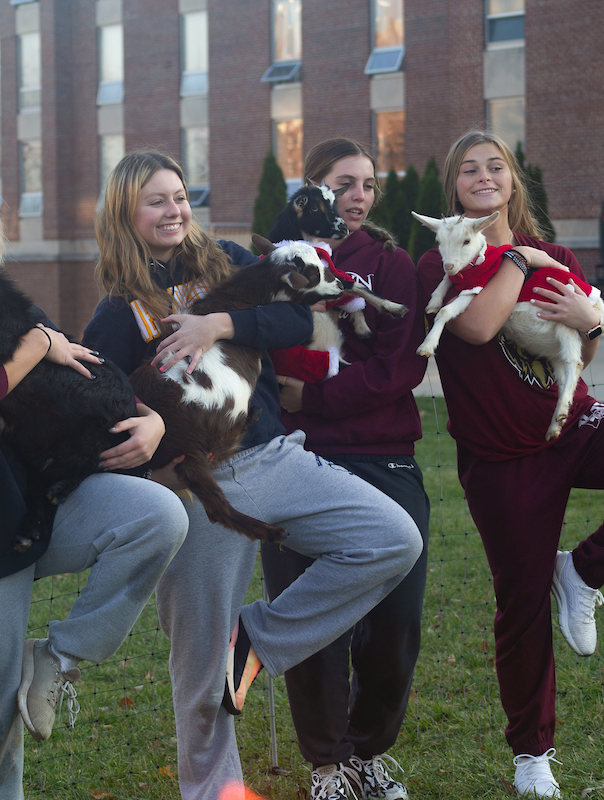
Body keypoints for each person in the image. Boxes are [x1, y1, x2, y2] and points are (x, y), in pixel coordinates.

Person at [82, 149, 423, 800]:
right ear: (126, 212)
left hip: (272, 458)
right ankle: (214, 790)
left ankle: (259, 638)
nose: (174, 209)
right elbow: (103, 406)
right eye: (156, 199)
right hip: (193, 490)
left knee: (391, 540)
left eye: (180, 196)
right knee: (199, 667)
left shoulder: (232, 263)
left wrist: (219, 321)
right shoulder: (118, 310)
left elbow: (296, 316)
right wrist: (154, 435)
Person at [0, 171, 188, 800]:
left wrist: (152, 420)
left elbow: (84, 372)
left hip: (40, 506)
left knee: (158, 518)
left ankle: (59, 655)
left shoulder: (7, 302)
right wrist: (32, 349)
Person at [416, 131, 604, 798]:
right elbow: (481, 327)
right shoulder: (451, 261)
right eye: (469, 169)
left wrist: (593, 325)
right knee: (520, 607)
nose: (484, 176)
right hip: (501, 459)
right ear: (455, 189)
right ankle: (533, 756)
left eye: (496, 166)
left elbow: (573, 350)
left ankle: (582, 570)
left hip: (574, 425)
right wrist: (519, 256)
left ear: (514, 180)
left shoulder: (559, 257)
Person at [264, 137, 430, 800]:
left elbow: (403, 365)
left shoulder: (391, 265)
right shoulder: (281, 261)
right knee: (311, 614)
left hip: (383, 455)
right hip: (300, 457)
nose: (357, 196)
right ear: (314, 194)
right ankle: (327, 764)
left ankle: (367, 751)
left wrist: (325, 395)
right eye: (343, 184)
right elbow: (266, 343)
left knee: (398, 617)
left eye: (367, 184)